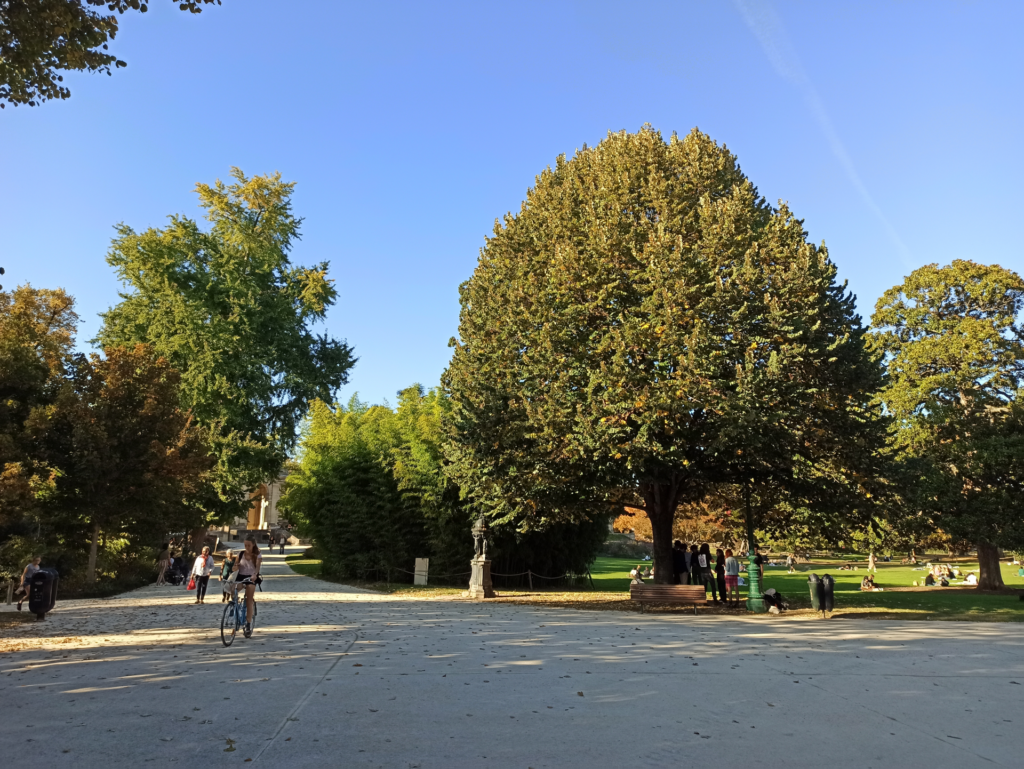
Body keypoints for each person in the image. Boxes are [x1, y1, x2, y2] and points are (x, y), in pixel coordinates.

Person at [232, 535, 263, 636]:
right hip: (240, 576)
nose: (246, 547)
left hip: (251, 577)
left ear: (253, 544)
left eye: (248, 545)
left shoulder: (257, 555)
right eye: (245, 545)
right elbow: (234, 567)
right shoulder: (240, 554)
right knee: (233, 589)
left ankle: (248, 624)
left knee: (249, 599)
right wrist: (235, 567)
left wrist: (255, 574)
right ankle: (234, 607)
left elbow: (258, 566)